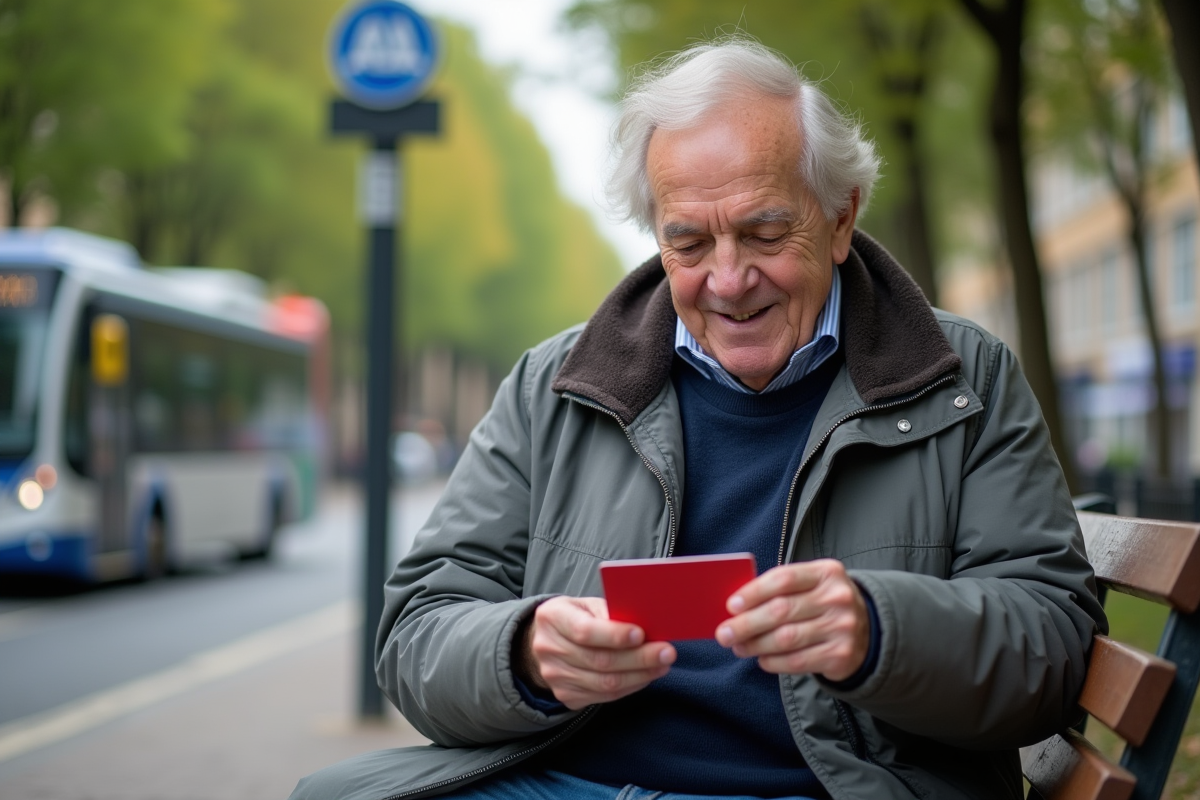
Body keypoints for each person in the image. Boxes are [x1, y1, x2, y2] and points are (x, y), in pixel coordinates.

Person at [292, 37, 1106, 800]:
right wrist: (526, 653)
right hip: (575, 780)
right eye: (688, 243)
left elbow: (1051, 641)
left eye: (763, 231)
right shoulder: (556, 385)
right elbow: (417, 631)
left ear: (841, 217)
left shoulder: (964, 378)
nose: (728, 278)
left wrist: (881, 632)